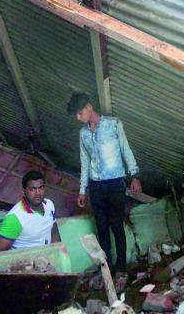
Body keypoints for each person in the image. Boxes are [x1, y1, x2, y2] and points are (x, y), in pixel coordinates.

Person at [67, 92, 141, 282]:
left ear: (89, 107)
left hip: (116, 183)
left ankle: (122, 269)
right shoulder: (83, 134)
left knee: (117, 226)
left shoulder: (114, 124)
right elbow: (84, 162)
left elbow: (126, 150)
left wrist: (135, 175)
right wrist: (83, 189)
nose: (78, 118)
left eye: (79, 113)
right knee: (101, 227)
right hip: (96, 186)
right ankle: (106, 268)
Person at [0, 170, 60, 252]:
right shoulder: (15, 218)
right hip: (25, 262)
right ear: (24, 192)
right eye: (32, 189)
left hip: (47, 259)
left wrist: (56, 253)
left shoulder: (49, 205)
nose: (38, 193)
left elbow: (54, 231)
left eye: (41, 188)